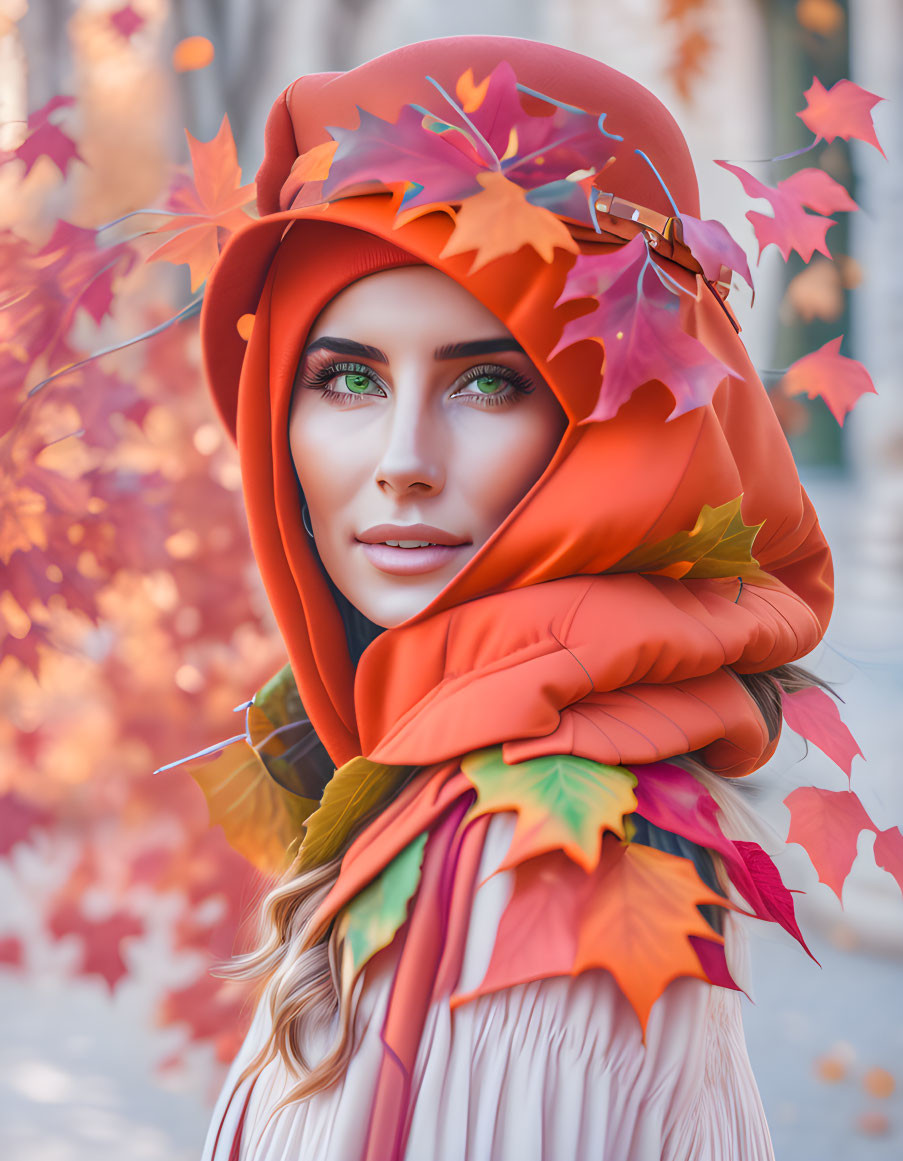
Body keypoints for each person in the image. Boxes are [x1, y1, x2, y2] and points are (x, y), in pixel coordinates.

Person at [196, 35, 833, 1161]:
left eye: (491, 380)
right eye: (346, 377)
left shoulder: (543, 866)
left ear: (616, 434)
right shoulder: (444, 781)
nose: (402, 460)